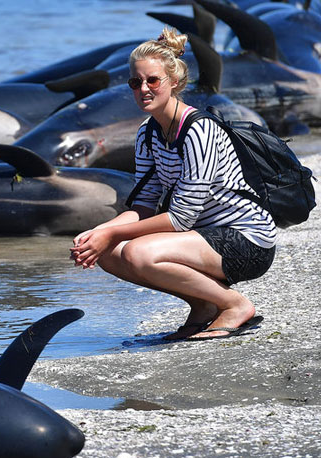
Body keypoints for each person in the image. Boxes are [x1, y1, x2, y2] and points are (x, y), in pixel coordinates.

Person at [69, 27, 277, 340]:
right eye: (135, 82)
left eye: (153, 80)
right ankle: (203, 306)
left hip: (247, 241)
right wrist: (97, 236)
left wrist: (110, 233)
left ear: (174, 82)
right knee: (108, 252)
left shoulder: (198, 130)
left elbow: (181, 218)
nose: (144, 89)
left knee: (138, 253)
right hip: (203, 238)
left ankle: (235, 305)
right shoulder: (147, 133)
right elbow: (142, 207)